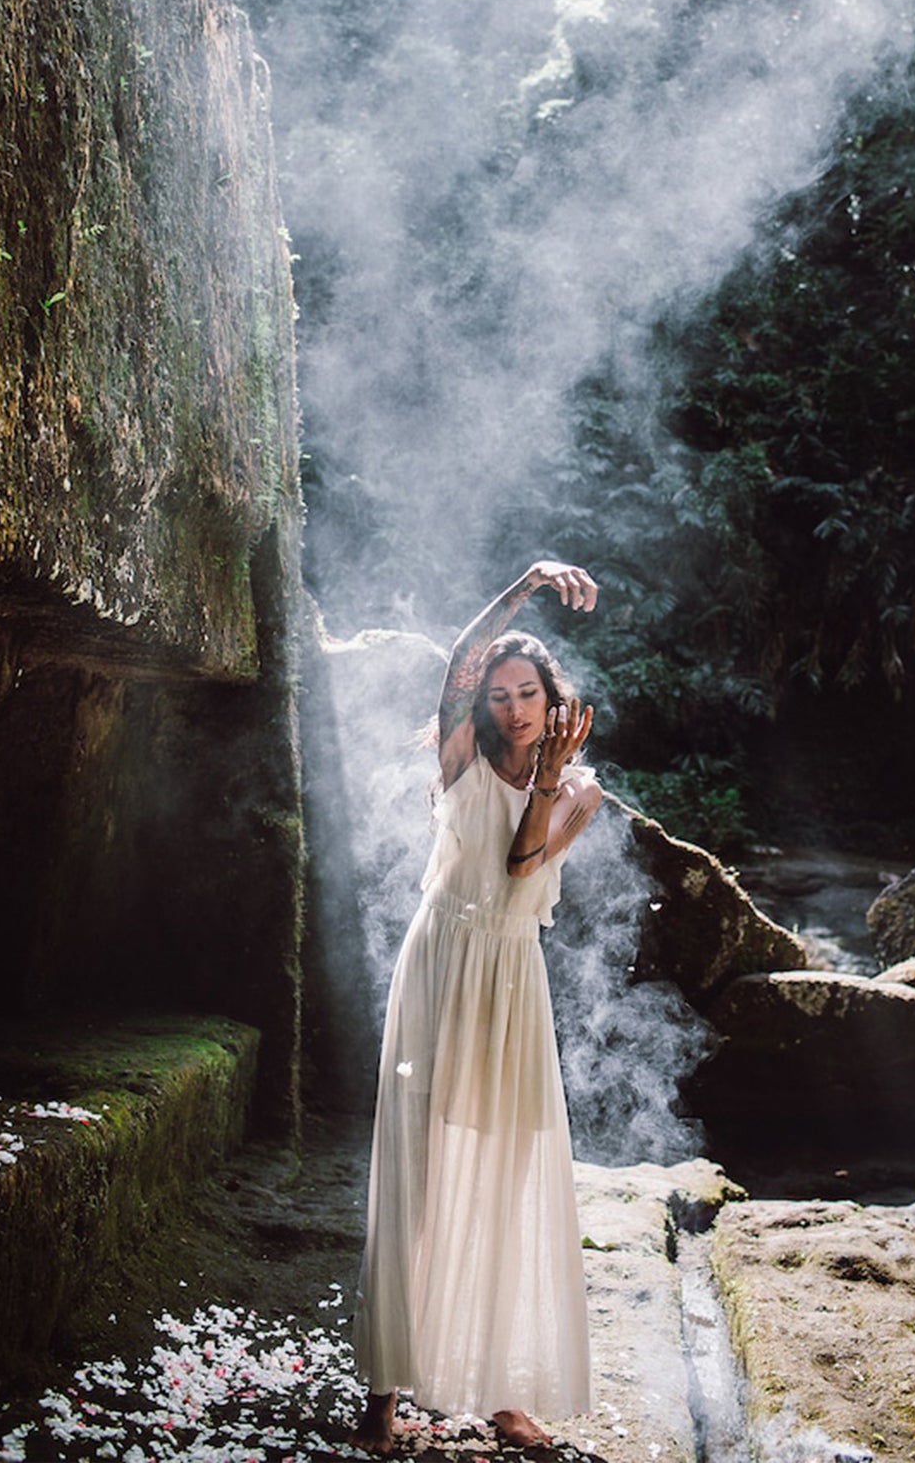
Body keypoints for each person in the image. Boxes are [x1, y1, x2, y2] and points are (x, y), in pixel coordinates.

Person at [352, 560, 604, 1454]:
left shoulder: (578, 788)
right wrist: (525, 584)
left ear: (552, 697)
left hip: (510, 978)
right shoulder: (458, 758)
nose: (510, 707)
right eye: (496, 694)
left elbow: (521, 868)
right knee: (415, 1165)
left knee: (506, 1173)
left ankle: (501, 1391)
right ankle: (382, 1390)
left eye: (525, 691)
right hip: (440, 959)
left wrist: (545, 789)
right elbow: (458, 657)